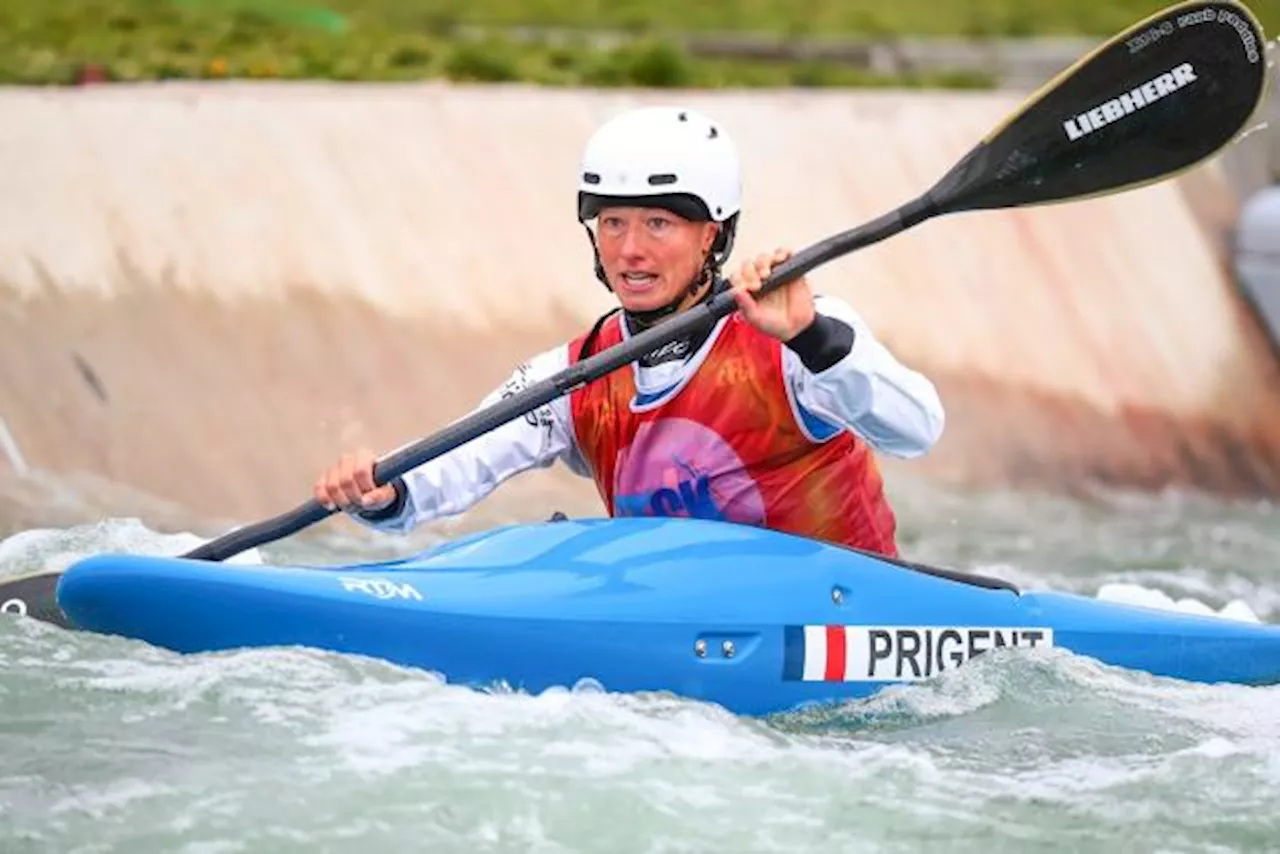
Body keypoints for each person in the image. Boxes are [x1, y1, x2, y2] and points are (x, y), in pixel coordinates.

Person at [313, 106, 944, 557]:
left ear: (714, 234)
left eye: (658, 224)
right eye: (612, 223)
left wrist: (810, 337)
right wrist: (384, 492)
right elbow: (458, 462)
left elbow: (917, 430)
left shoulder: (800, 330)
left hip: (837, 626)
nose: (630, 251)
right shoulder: (574, 373)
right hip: (679, 635)